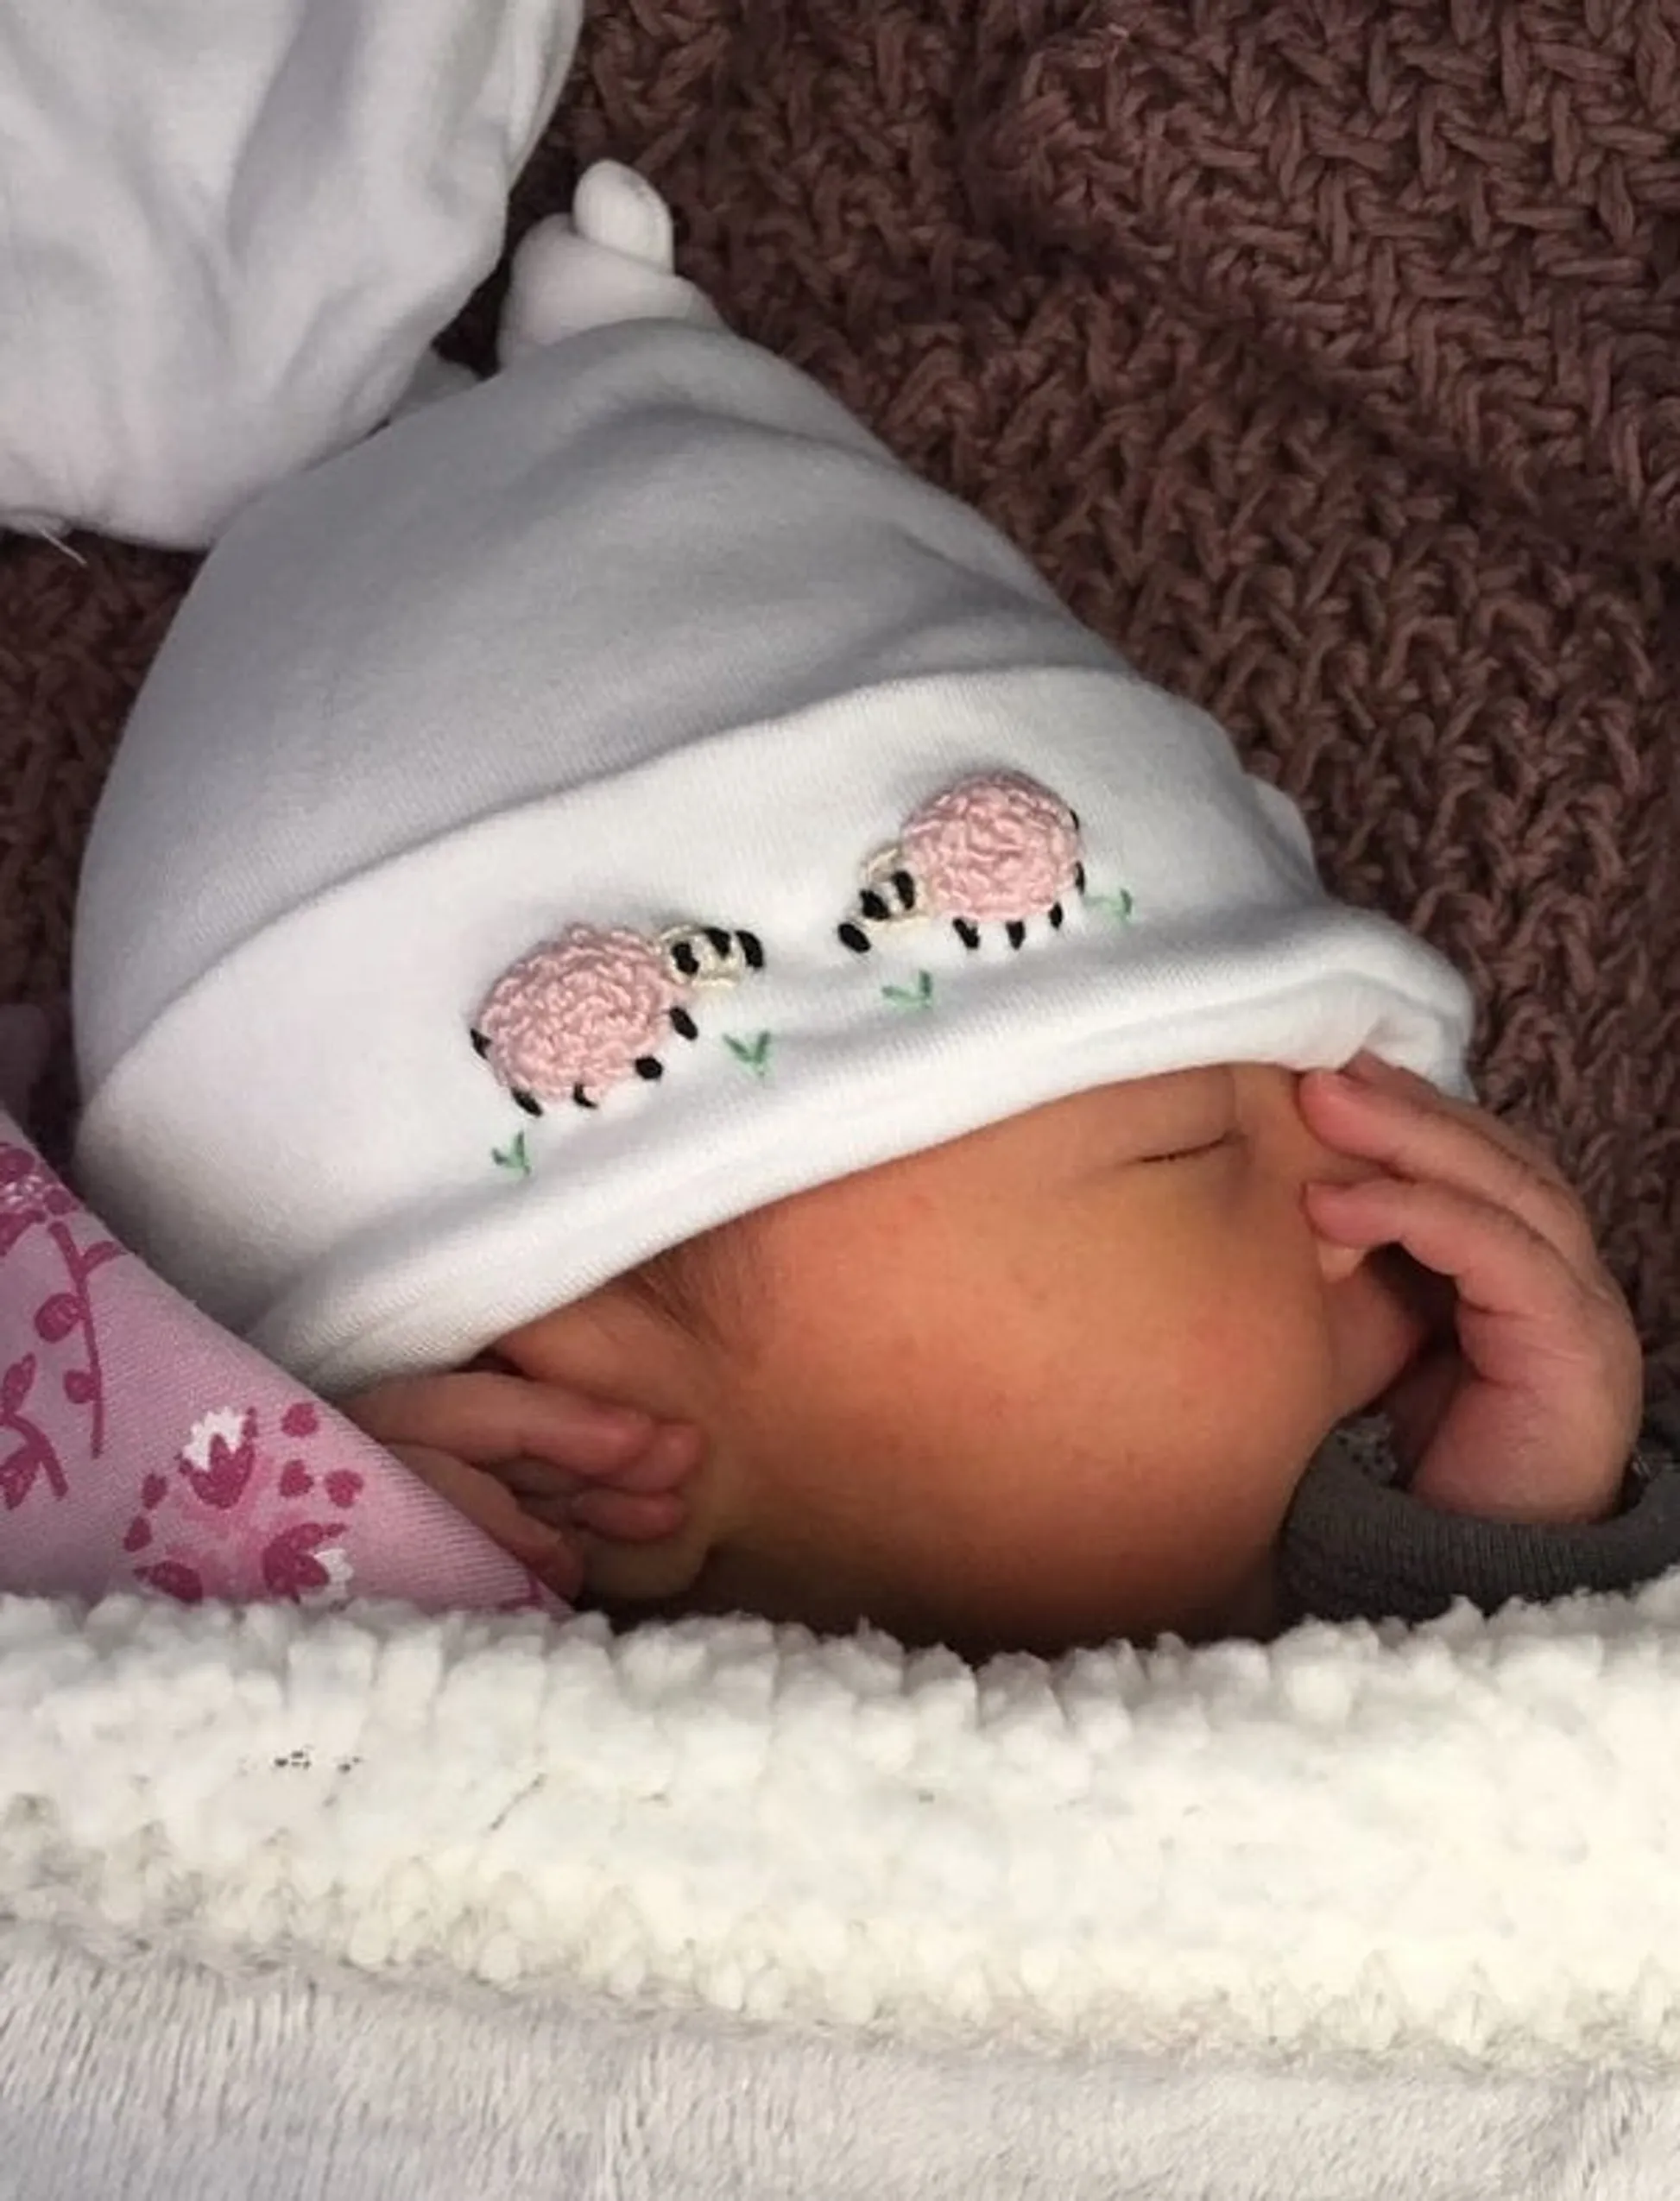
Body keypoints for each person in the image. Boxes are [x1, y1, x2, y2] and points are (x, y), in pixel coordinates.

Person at [70, 165, 1674, 1657]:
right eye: (1179, 1145)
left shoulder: (1317, 1668)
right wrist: (356, 1606)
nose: (1380, 1178)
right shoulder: (318, 1755)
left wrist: (1496, 1577)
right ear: (583, 1450)